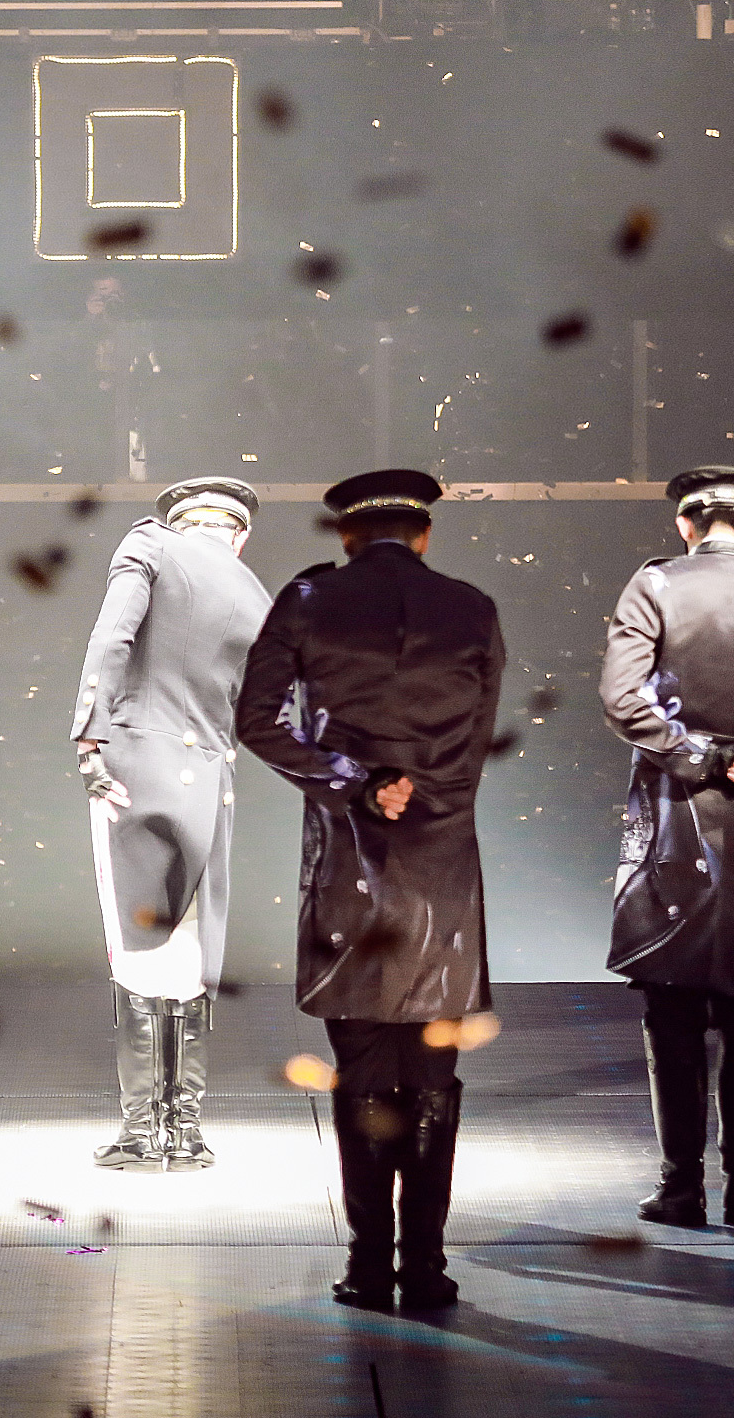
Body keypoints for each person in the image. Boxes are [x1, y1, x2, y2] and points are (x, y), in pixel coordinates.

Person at [237, 470, 506, 1312]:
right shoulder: (470, 607)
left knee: (359, 1068)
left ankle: (366, 1266)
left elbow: (256, 721)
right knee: (431, 1072)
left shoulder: (310, 599)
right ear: (423, 534)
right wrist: (423, 795)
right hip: (441, 866)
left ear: (346, 536)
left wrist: (355, 782)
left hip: (350, 861)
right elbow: (475, 738)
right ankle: (423, 1269)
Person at [599, 467, 734, 1230]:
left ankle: (680, 1186)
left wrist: (694, 754)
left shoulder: (656, 584)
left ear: (685, 525)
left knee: (672, 1001)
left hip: (677, 813)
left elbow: (622, 699)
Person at [73, 478, 273, 1171]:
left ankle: (138, 1131)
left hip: (135, 764)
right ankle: (184, 1131)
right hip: (211, 777)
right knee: (191, 949)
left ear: (181, 520)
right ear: (239, 535)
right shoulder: (255, 592)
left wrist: (89, 736)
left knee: (132, 945)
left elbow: (112, 638)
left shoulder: (150, 545)